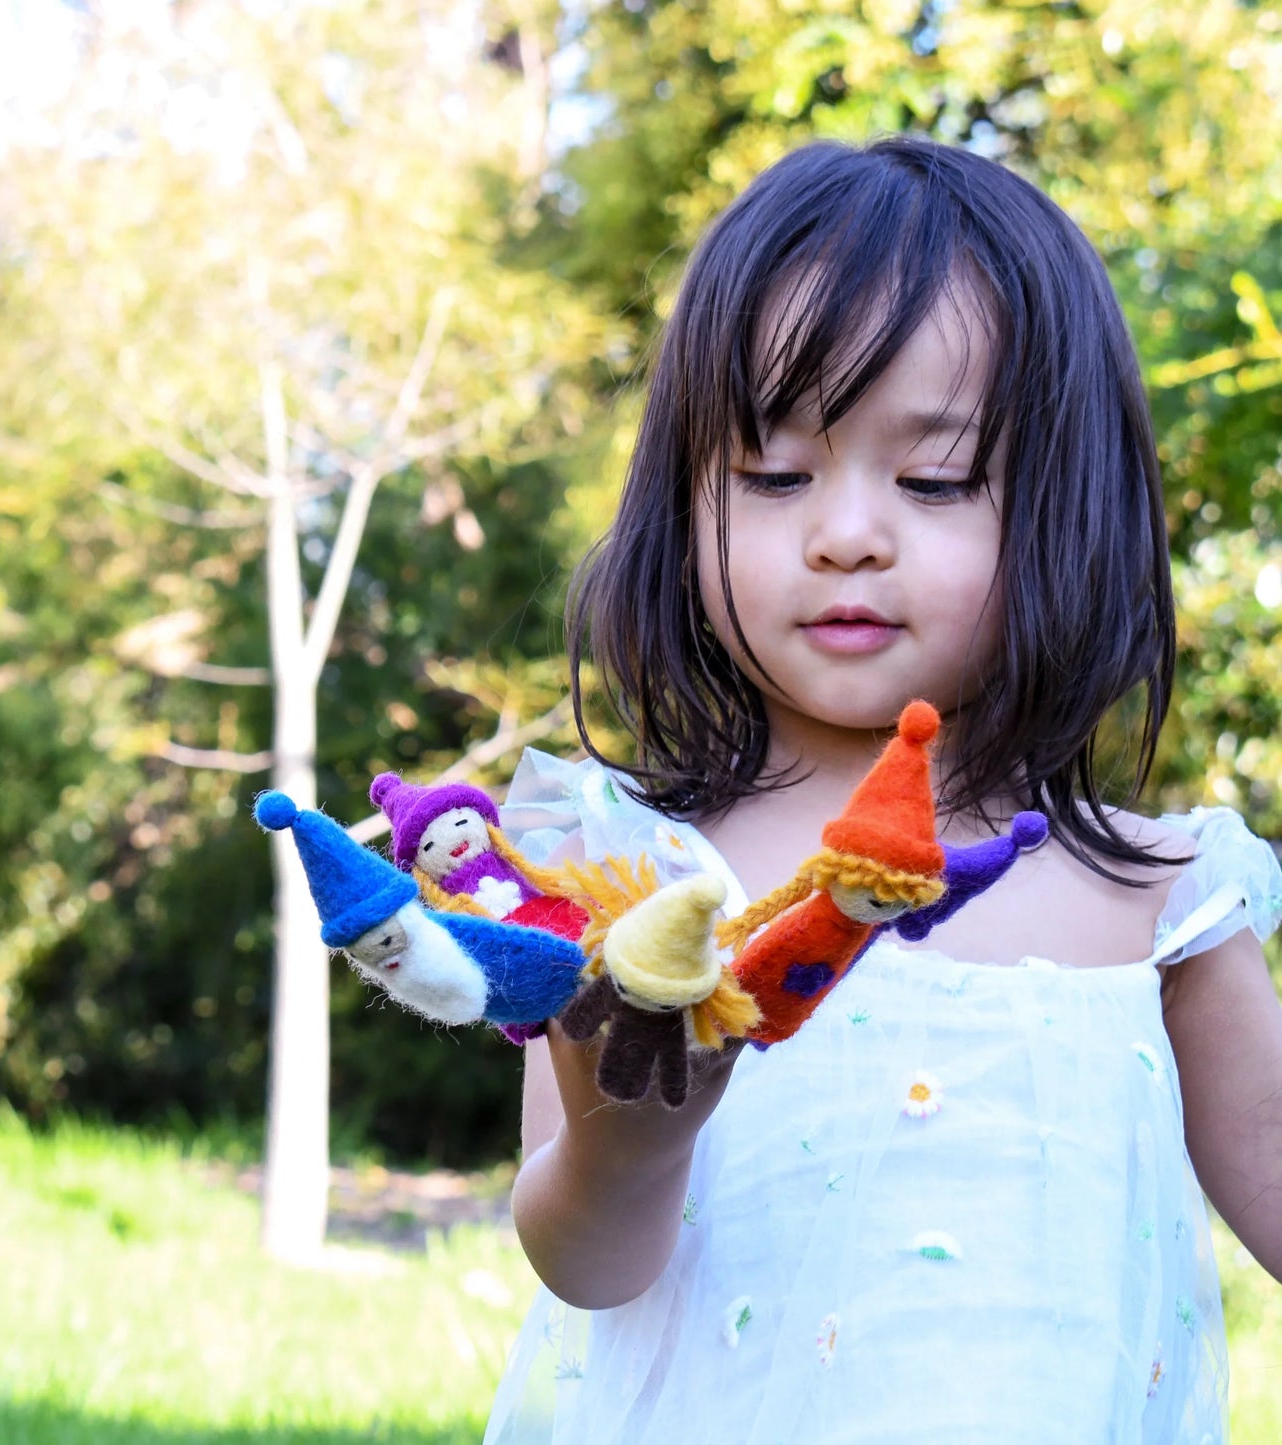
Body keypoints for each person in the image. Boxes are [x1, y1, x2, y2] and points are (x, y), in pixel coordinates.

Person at [482, 136, 1282, 1444]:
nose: (842, 529)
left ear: (1063, 508)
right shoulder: (635, 876)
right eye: (773, 471)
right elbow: (585, 1263)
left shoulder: (1158, 897)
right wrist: (625, 1144)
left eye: (933, 476)